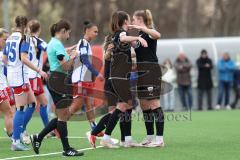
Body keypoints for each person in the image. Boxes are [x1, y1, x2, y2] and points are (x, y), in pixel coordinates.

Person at [30, 20, 83, 157]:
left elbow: (57, 56)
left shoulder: (53, 42)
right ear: (63, 30)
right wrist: (73, 56)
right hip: (58, 80)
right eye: (68, 32)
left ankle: (39, 137)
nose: (69, 34)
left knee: (62, 115)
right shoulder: (57, 44)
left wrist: (68, 52)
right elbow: (66, 66)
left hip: (56, 79)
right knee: (63, 116)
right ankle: (67, 149)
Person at [100, 10, 148, 148]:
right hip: (118, 76)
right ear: (125, 21)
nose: (131, 22)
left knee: (128, 106)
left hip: (121, 76)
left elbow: (128, 45)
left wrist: (136, 37)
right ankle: (106, 138)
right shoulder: (120, 33)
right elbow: (123, 38)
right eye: (129, 20)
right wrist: (138, 38)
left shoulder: (120, 34)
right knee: (122, 106)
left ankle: (127, 140)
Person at [2, 16, 48, 151]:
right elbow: (24, 59)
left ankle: (20, 133)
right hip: (20, 77)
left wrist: (12, 69)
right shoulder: (24, 38)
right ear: (25, 25)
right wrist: (40, 70)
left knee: (33, 103)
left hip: (16, 76)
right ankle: (16, 141)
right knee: (21, 108)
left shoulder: (10, 38)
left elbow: (5, 59)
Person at [130, 9, 164, 147]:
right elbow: (140, 53)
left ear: (139, 19)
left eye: (134, 19)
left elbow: (158, 35)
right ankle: (150, 136)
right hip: (141, 72)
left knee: (154, 104)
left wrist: (142, 28)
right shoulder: (140, 35)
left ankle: (160, 138)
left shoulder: (148, 31)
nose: (132, 22)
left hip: (151, 71)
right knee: (144, 104)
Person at [69, 21, 104, 132]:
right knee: (77, 106)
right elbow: (84, 60)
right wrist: (96, 73)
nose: (96, 34)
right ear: (87, 31)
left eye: (97, 32)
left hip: (85, 79)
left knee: (89, 103)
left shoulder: (86, 44)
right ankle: (57, 126)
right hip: (80, 79)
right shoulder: (83, 42)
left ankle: (94, 128)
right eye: (95, 31)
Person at [21, 19, 50, 141]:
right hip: (34, 76)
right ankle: (20, 129)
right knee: (34, 105)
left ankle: (47, 130)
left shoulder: (25, 40)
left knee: (40, 103)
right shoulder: (39, 41)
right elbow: (51, 50)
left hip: (27, 75)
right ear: (39, 29)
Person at [0, 28, 14, 140]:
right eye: (5, 40)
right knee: (8, 112)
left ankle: (14, 134)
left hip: (4, 85)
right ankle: (15, 139)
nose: (7, 42)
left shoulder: (2, 53)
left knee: (11, 110)